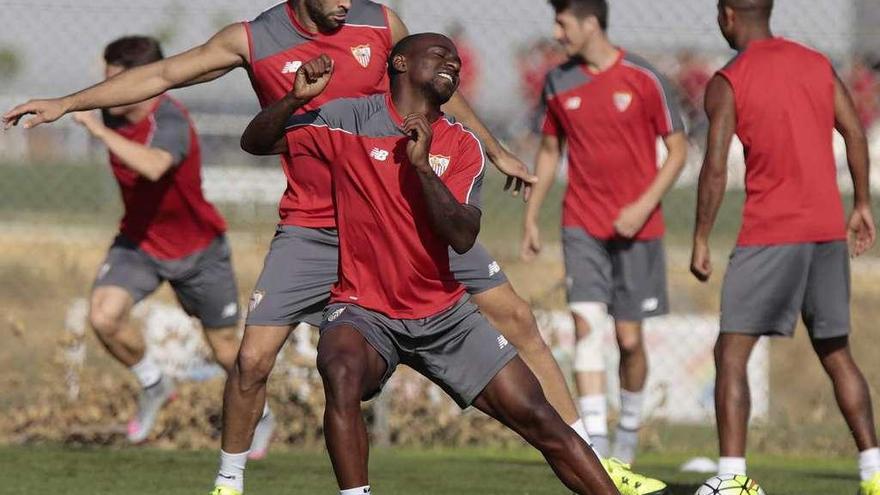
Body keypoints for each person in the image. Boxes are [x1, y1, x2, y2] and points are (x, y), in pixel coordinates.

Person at [2, 0, 610, 481]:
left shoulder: (380, 23)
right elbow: (161, 74)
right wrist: (65, 103)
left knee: (518, 318)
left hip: (403, 212)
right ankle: (230, 479)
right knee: (251, 359)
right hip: (316, 224)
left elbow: (438, 84)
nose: (348, 3)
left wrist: (496, 149)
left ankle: (593, 457)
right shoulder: (253, 39)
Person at [240, 33, 625, 495]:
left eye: (458, 61)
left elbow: (462, 235)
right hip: (364, 311)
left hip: (446, 317)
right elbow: (257, 142)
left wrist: (423, 168)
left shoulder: (462, 146)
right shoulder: (348, 119)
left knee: (541, 420)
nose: (453, 65)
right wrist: (292, 99)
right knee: (340, 370)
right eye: (440, 55)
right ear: (400, 62)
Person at [690, 1, 880, 493]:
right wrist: (861, 203)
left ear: (729, 14)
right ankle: (874, 472)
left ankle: (732, 479)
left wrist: (700, 237)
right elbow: (855, 132)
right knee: (837, 352)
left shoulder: (728, 80)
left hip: (770, 233)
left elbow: (714, 167)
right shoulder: (817, 63)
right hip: (824, 230)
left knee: (731, 352)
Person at [71, 36, 273, 450]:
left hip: (200, 252)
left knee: (224, 349)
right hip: (140, 243)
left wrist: (96, 131)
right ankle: (154, 384)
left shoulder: (171, 122)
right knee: (104, 316)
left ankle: (262, 415)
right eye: (105, 81)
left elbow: (153, 166)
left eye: (117, 82)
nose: (108, 93)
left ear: (146, 83)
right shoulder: (112, 114)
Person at [522, 0, 687, 468]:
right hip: (581, 225)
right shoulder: (558, 80)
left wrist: (642, 205)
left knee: (629, 340)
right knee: (586, 327)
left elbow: (677, 150)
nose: (556, 31)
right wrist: (532, 214)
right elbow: (551, 150)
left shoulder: (644, 77)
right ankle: (596, 448)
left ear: (590, 23)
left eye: (563, 21)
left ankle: (627, 438)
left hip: (639, 229)